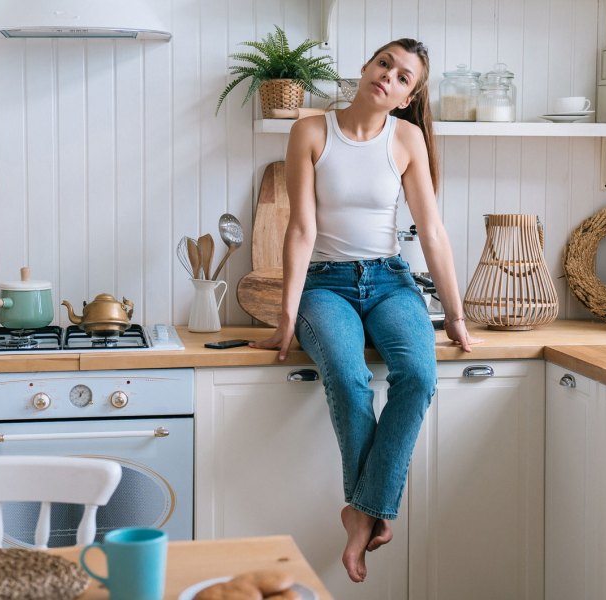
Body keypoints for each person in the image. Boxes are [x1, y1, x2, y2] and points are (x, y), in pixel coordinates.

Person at [250, 38, 478, 583]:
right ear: (365, 66)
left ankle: (361, 510)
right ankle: (368, 513)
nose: (389, 78)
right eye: (385, 65)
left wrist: (456, 316)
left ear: (406, 98)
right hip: (324, 286)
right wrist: (286, 317)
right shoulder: (310, 130)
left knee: (419, 376)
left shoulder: (407, 138)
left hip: (389, 281)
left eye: (404, 78)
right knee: (350, 376)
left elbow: (433, 230)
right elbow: (301, 230)